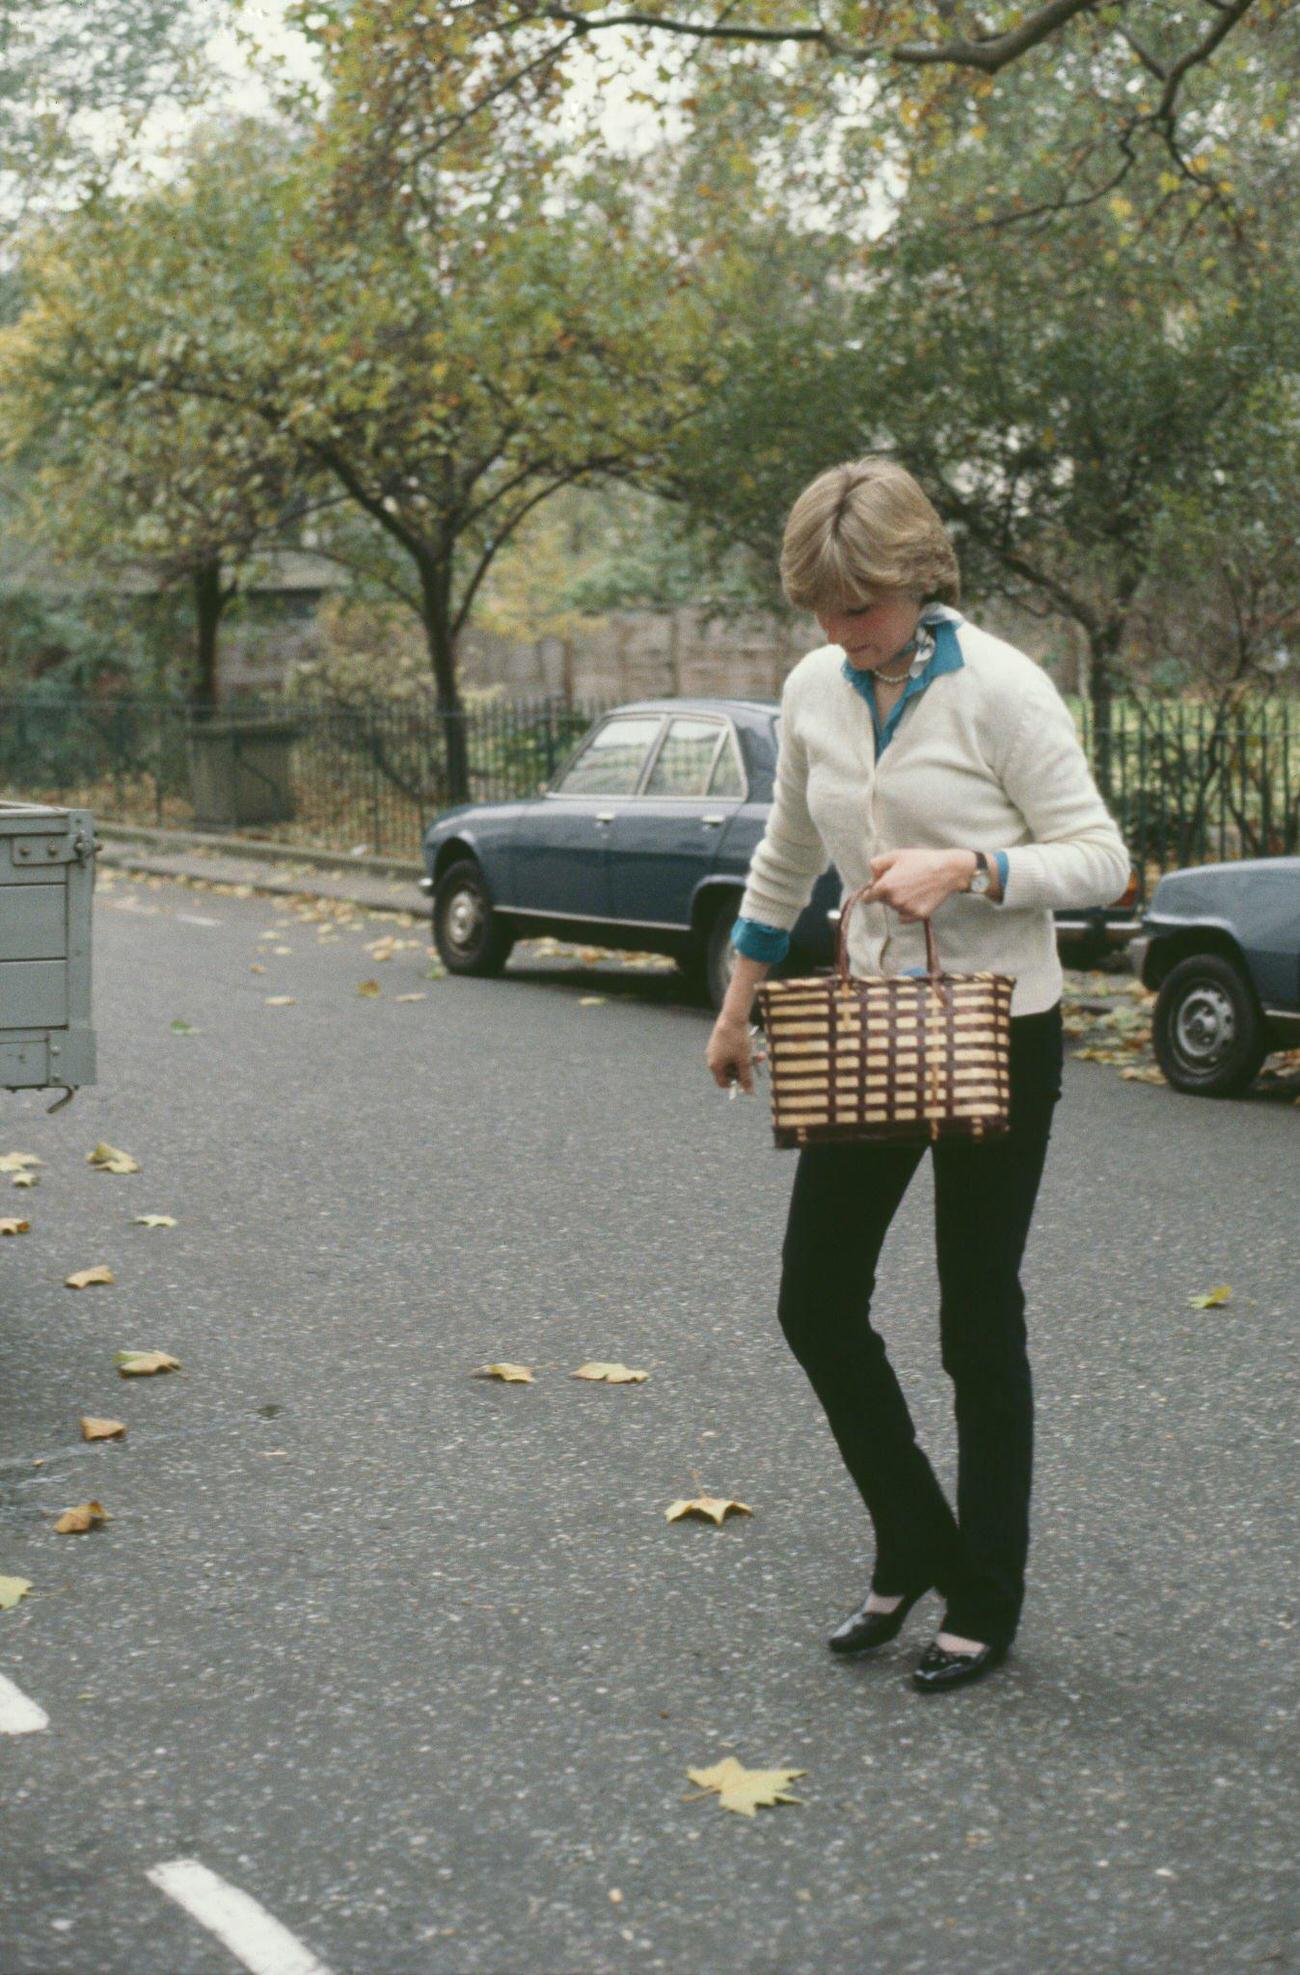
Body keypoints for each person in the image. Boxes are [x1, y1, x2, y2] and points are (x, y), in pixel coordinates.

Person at [706, 457, 1131, 1694]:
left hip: (1002, 1029)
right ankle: (911, 1538)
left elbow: (1101, 860)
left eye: (861, 608)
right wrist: (737, 1007)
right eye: (822, 612)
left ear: (914, 577)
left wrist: (974, 870)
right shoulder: (811, 686)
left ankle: (983, 1597)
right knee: (814, 1301)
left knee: (972, 1319)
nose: (841, 633)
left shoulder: (1000, 688)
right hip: (865, 1030)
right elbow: (786, 853)